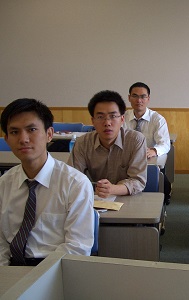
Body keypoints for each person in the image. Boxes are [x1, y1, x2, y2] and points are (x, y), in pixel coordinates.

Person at [0, 98, 94, 266]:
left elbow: (77, 247)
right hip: (10, 268)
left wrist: (35, 279)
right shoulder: (4, 184)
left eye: (32, 130)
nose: (23, 139)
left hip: (55, 270)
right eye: (14, 132)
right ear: (6, 139)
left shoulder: (75, 184)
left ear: (49, 134)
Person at [68, 90, 147, 198]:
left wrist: (113, 189)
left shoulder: (136, 140)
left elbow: (138, 181)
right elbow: (72, 178)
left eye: (113, 116)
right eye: (100, 117)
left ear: (122, 119)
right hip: (95, 200)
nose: (107, 123)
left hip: (128, 199)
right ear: (93, 121)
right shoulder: (82, 143)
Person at [123, 82, 172, 204]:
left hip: (147, 161)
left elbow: (165, 144)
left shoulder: (157, 119)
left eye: (143, 96)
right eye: (135, 96)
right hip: (124, 161)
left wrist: (154, 150)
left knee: (163, 185)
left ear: (148, 99)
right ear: (129, 98)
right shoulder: (122, 117)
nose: (139, 100)